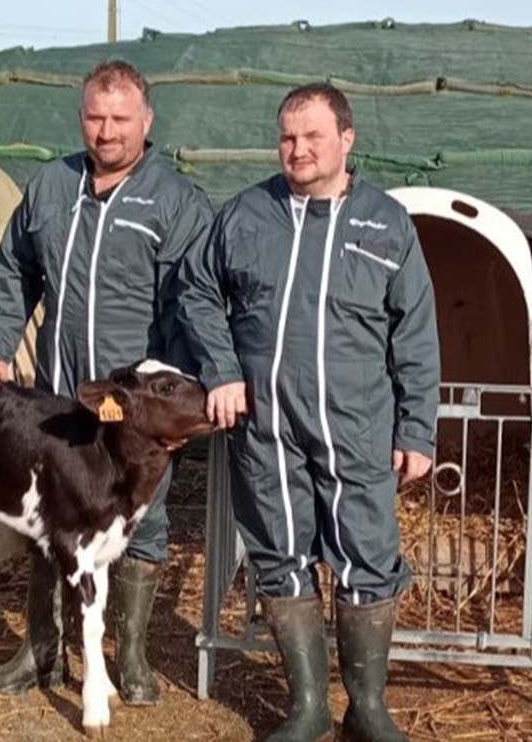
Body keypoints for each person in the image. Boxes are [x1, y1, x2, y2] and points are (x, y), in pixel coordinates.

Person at [178, 83, 439, 742]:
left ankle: (369, 709)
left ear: (346, 140)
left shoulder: (386, 223)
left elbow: (415, 332)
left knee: (368, 556)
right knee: (279, 555)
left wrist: (416, 426)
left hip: (356, 426)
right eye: (288, 137)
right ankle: (308, 709)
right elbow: (198, 292)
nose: (297, 150)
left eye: (312, 137)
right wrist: (224, 370)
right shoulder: (245, 216)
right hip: (267, 429)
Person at [0, 58, 213, 706]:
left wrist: (185, 405)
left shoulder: (175, 201)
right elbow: (15, 269)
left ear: (146, 121)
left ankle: (129, 656)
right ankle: (40, 653)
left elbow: (197, 300)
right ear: (81, 118)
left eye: (121, 119)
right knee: (52, 519)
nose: (107, 131)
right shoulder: (50, 188)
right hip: (65, 394)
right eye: (95, 118)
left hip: (138, 409)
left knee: (141, 524)